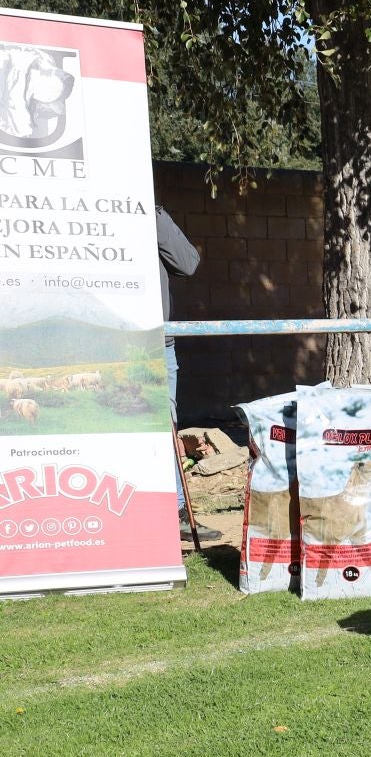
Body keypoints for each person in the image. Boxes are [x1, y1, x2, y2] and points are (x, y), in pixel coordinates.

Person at [155, 203, 217, 542]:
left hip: (158, 342)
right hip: (108, 339)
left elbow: (187, 262)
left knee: (166, 426)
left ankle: (177, 512)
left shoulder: (148, 213)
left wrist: (154, 213)